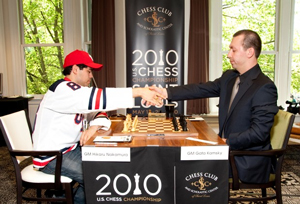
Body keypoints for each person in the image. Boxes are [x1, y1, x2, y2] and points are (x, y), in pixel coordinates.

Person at [32, 49, 161, 203]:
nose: (91, 75)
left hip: (70, 150)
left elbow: (100, 112)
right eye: (89, 71)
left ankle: (64, 198)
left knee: (104, 167)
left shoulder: (76, 92)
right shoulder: (63, 90)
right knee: (98, 176)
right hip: (53, 157)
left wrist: (94, 127)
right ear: (74, 69)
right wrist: (139, 91)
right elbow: (100, 99)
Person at [150, 29, 278, 183]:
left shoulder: (264, 87)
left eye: (233, 49)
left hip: (245, 160)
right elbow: (200, 88)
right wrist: (165, 92)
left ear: (250, 52)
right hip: (227, 152)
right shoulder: (230, 77)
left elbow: (259, 133)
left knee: (189, 169)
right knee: (182, 164)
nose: (229, 54)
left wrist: (227, 142)